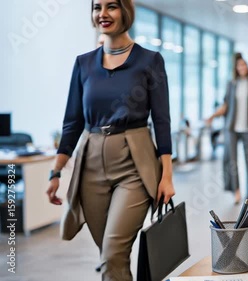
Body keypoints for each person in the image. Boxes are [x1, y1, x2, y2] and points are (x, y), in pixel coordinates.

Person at [45, 1, 175, 280]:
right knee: (110, 255)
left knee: (113, 251)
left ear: (125, 11)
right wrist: (56, 171)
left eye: (111, 6)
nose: (102, 13)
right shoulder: (83, 64)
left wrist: (167, 176)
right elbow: (72, 122)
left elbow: (162, 122)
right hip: (90, 164)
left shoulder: (150, 61)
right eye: (97, 7)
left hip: (134, 165)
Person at [206, 53, 248, 204]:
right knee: (232, 162)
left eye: (244, 65)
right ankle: (236, 190)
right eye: (239, 65)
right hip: (231, 128)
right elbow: (226, 106)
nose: (242, 67)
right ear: (236, 68)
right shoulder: (231, 84)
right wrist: (213, 116)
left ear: (247, 67)